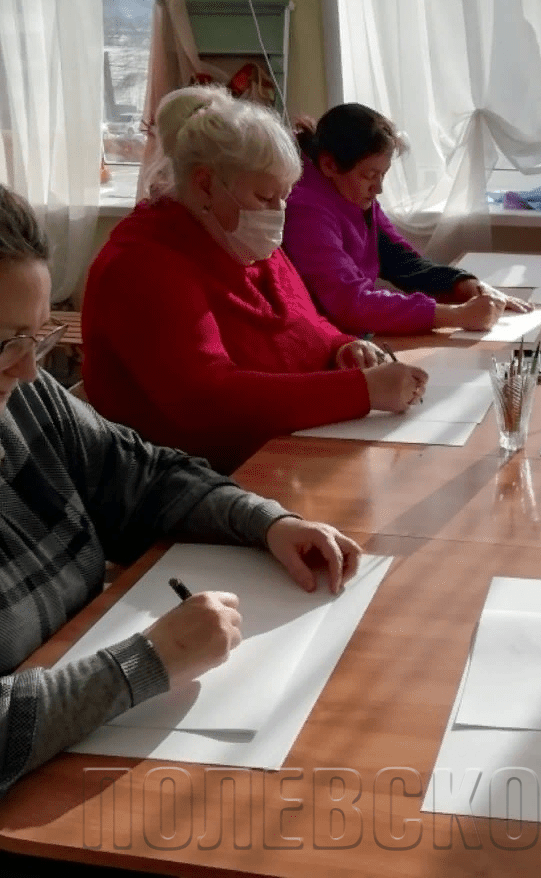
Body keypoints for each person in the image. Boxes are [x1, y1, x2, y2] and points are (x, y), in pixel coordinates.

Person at [0, 183, 362, 798]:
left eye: (37, 338)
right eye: (7, 342)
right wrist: (146, 662)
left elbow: (144, 475)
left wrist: (267, 522)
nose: (30, 369)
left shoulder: (24, 397)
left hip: (92, 748)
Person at [82, 87, 427, 474]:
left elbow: (307, 327)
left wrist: (344, 347)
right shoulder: (141, 267)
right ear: (205, 184)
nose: (277, 213)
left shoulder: (239, 237)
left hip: (279, 457)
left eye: (284, 197)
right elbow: (209, 400)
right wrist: (363, 390)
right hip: (191, 481)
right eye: (264, 197)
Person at [284, 103, 532, 335]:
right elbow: (350, 303)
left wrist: (472, 288)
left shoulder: (351, 194)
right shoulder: (305, 212)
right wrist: (457, 316)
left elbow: (404, 263)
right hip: (321, 342)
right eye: (369, 175)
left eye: (383, 174)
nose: (378, 188)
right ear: (329, 165)